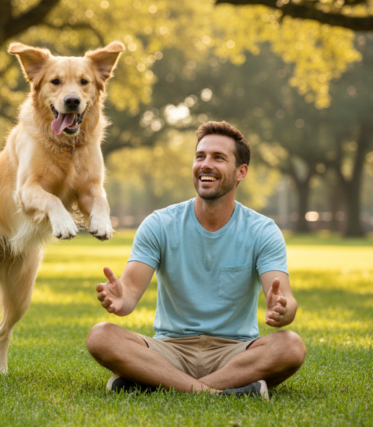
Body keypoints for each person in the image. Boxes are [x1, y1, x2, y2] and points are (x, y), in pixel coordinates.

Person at [87, 121, 306, 398]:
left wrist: (284, 310)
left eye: (218, 157)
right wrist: (120, 298)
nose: (205, 164)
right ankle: (219, 391)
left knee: (291, 346)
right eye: (200, 156)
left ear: (241, 172)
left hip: (234, 351)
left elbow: (284, 297)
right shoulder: (160, 223)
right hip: (170, 349)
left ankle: (158, 383)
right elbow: (128, 294)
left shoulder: (262, 230)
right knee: (101, 336)